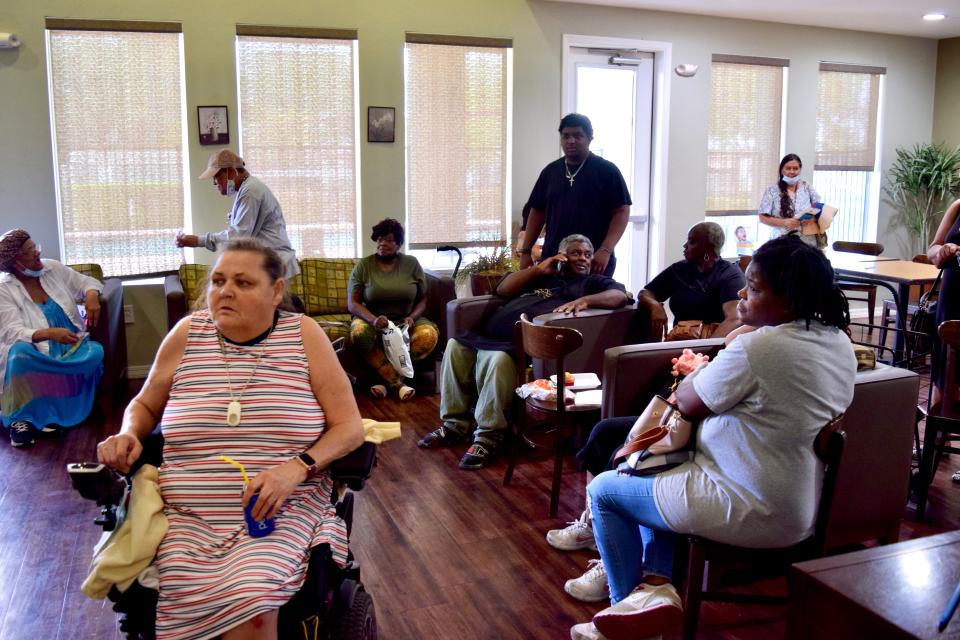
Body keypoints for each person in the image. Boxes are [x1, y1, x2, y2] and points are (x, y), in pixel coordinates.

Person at [566, 236, 856, 640]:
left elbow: (686, 400)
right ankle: (654, 590)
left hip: (745, 504)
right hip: (798, 506)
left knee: (605, 490)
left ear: (788, 301)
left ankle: (626, 613)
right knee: (653, 473)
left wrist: (730, 346)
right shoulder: (838, 340)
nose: (741, 292)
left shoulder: (761, 347)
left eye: (753, 287)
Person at [96, 239, 364, 640]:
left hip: (277, 511)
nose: (224, 291)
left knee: (251, 602)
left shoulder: (303, 335)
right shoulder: (187, 333)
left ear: (276, 291)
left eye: (242, 282)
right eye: (218, 280)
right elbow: (144, 403)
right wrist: (129, 432)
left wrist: (295, 468)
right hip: (188, 515)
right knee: (169, 595)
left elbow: (350, 426)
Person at [418, 234, 632, 470]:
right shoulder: (543, 276)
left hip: (517, 343)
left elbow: (619, 296)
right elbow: (503, 288)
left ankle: (488, 436)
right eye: (576, 253)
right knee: (454, 347)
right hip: (487, 334)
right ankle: (454, 425)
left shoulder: (592, 283)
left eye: (587, 255)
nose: (583, 258)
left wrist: (586, 301)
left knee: (496, 359)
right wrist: (539, 269)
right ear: (561, 256)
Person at [0, 228, 104, 448]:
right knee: (18, 353)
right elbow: (11, 332)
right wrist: (47, 333)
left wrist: (92, 296)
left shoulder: (52, 268)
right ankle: (22, 420)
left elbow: (85, 282)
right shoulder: (4, 289)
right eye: (30, 252)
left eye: (35, 247)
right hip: (37, 353)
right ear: (16, 262)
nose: (37, 253)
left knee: (96, 352)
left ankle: (48, 416)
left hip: (71, 348)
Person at [519, 114, 632, 276]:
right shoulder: (550, 172)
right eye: (566, 136)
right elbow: (537, 212)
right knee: (551, 300)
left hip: (593, 260)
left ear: (589, 138)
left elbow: (622, 211)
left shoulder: (607, 171)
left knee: (591, 300)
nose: (571, 141)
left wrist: (606, 250)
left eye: (578, 135)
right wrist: (525, 251)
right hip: (555, 258)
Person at [347, 218, 439, 401]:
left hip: (406, 319)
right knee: (358, 333)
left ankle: (383, 381)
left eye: (388, 240)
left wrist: (413, 317)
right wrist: (373, 319)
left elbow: (423, 298)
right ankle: (397, 384)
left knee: (429, 335)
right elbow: (353, 303)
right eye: (380, 239)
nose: (382, 244)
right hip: (373, 319)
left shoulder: (411, 264)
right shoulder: (364, 266)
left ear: (398, 243)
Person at [176, 149, 300, 281]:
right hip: (270, 264)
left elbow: (237, 237)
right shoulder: (247, 189)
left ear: (231, 171)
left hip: (275, 266)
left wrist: (199, 241)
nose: (214, 182)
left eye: (216, 176)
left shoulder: (251, 192)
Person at [637, 222, 744, 340]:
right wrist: (655, 306)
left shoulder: (729, 274)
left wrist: (706, 350)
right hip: (680, 338)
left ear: (708, 247)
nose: (685, 245)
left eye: (692, 241)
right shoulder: (678, 270)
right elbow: (645, 292)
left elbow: (734, 318)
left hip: (714, 341)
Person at [927, 198, 960, 407]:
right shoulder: (958, 206)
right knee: (944, 373)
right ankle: (938, 437)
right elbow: (932, 250)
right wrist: (942, 250)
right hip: (952, 298)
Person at [758, 153, 824, 250]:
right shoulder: (771, 190)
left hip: (806, 243)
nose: (792, 171)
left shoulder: (807, 187)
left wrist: (812, 218)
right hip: (781, 242)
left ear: (800, 170)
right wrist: (784, 222)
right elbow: (762, 217)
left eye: (795, 168)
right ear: (781, 170)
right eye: (788, 168)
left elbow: (817, 207)